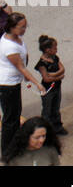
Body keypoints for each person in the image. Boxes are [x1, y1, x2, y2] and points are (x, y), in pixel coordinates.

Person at [1, 12, 45, 152]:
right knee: (10, 120)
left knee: (15, 115)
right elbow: (20, 66)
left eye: (25, 26)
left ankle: (14, 145)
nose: (24, 29)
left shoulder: (16, 38)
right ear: (12, 27)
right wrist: (37, 83)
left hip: (13, 82)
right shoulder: (9, 46)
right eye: (22, 27)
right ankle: (8, 151)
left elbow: (23, 60)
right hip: (7, 85)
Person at [34, 36, 65, 135]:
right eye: (55, 48)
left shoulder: (54, 57)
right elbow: (46, 78)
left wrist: (52, 74)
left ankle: (58, 127)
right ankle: (45, 132)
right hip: (47, 90)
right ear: (48, 50)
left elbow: (62, 69)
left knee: (56, 109)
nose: (56, 50)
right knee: (47, 111)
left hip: (56, 87)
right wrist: (58, 77)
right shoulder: (42, 64)